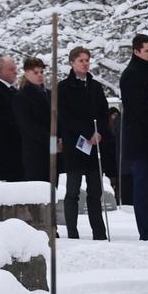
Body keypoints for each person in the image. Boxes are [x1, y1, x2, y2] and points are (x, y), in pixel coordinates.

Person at [57, 47, 112, 240]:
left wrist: (99, 132)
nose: (85, 63)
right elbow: (65, 116)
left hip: (94, 144)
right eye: (81, 60)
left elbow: (104, 112)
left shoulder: (95, 86)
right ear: (72, 62)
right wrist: (87, 133)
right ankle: (72, 232)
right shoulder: (63, 87)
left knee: (95, 191)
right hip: (76, 144)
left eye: (87, 60)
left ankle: (99, 232)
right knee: (72, 191)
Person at [119, 34, 148, 238]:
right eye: (147, 51)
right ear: (136, 51)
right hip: (140, 138)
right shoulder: (130, 75)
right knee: (144, 188)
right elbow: (138, 108)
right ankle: (146, 231)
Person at [15, 56, 52, 183]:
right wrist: (51, 141)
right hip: (35, 151)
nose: (40, 75)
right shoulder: (22, 96)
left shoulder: (49, 93)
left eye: (41, 72)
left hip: (52, 149)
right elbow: (28, 126)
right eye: (35, 72)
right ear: (26, 73)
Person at [0, 55, 23, 182]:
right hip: (7, 147)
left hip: (17, 146)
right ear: (1, 71)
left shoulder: (13, 90)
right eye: (12, 69)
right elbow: (5, 120)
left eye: (16, 68)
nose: (16, 72)